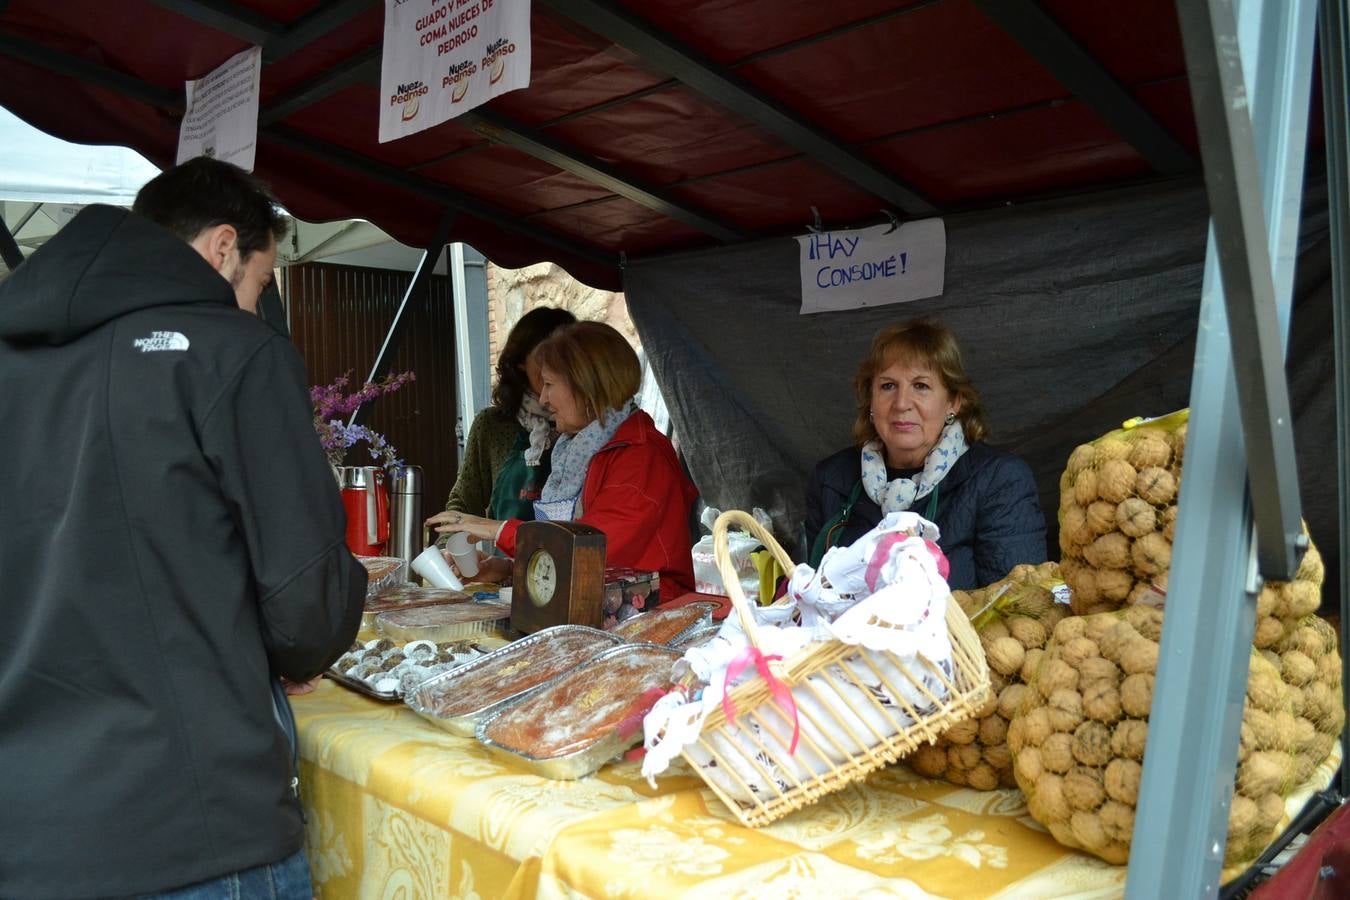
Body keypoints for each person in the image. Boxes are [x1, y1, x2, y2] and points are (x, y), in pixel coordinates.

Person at [0, 157, 366, 899]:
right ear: (223, 248)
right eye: (262, 283)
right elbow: (309, 613)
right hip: (194, 830)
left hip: (27, 831)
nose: (259, 305)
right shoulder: (233, 351)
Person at [428, 321, 697, 605]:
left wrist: (499, 530)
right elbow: (569, 564)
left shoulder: (642, 456)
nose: (543, 398)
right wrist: (505, 570)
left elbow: (590, 548)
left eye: (549, 384)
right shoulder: (578, 450)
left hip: (650, 621)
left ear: (585, 387)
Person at [805, 319, 1045, 589]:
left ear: (953, 402)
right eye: (887, 386)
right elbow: (806, 591)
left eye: (921, 386)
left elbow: (1015, 603)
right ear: (870, 401)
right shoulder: (832, 479)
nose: (902, 403)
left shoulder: (999, 480)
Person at [442, 306, 576, 524]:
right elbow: (464, 504)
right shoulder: (493, 426)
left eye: (567, 359)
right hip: (503, 559)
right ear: (521, 361)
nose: (554, 366)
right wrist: (449, 552)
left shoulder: (590, 430)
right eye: (544, 357)